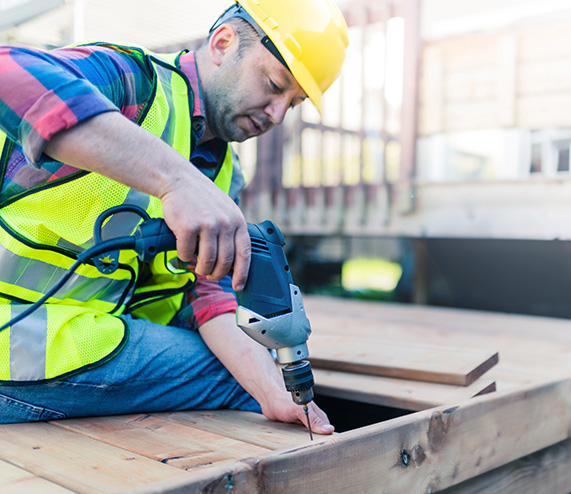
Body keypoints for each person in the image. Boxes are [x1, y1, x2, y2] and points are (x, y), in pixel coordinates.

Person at [0, 0, 348, 433]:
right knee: (227, 378)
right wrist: (176, 180)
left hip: (75, 332)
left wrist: (271, 391)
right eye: (275, 85)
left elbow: (209, 294)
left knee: (257, 378)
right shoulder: (134, 84)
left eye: (292, 104)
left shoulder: (223, 174)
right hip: (19, 338)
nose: (277, 114)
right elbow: (6, 72)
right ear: (223, 43)